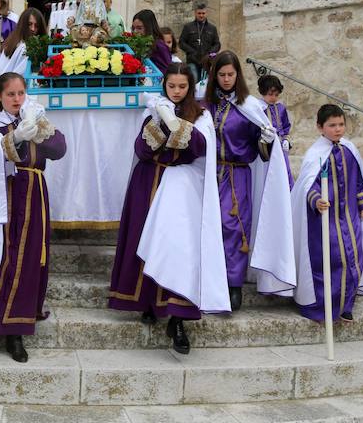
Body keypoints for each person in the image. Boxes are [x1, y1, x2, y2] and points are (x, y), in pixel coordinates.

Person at [109, 63, 229, 354]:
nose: (176, 92)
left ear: (190, 87)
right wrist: (159, 122)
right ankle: (146, 302)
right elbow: (141, 149)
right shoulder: (153, 110)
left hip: (180, 190)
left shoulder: (200, 116)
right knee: (144, 242)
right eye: (171, 86)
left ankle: (178, 317)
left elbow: (199, 149)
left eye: (182, 87)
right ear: (164, 85)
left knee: (176, 249)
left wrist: (178, 126)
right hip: (147, 183)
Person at [0, 73, 66, 363]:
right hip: (4, 195)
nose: (17, 99)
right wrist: (14, 138)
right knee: (5, 255)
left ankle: (18, 325)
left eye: (21, 93)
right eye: (11, 95)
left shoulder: (35, 117)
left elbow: (59, 151)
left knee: (30, 256)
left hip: (34, 193)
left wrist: (40, 128)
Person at [202, 52, 296, 311]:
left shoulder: (250, 106)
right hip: (208, 173)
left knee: (234, 226)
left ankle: (234, 284)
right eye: (221, 75)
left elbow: (264, 154)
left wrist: (266, 138)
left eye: (231, 74)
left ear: (238, 76)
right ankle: (210, 279)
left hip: (237, 175)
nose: (226, 79)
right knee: (210, 225)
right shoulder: (205, 105)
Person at [292, 104, 363, 322]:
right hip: (326, 220)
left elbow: (359, 183)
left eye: (341, 124)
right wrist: (317, 200)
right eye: (332, 125)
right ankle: (324, 306)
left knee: (354, 259)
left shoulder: (350, 150)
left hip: (350, 217)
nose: (338, 129)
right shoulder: (316, 154)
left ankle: (346, 304)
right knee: (331, 260)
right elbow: (309, 184)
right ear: (320, 127)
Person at [0, 7, 47, 98]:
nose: (33, 29)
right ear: (23, 25)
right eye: (29, 24)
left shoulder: (29, 45)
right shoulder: (18, 45)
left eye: (36, 26)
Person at [258, 74, 294, 189]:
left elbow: (286, 128)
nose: (273, 97)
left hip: (280, 148)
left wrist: (286, 141)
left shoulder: (281, 108)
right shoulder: (258, 108)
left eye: (276, 95)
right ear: (262, 92)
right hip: (265, 150)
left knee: (284, 173)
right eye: (270, 94)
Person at [179, 4, 220, 82]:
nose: (201, 15)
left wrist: (210, 53)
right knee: (193, 82)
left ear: (206, 13)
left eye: (203, 13)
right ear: (195, 13)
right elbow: (181, 42)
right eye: (199, 13)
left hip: (207, 62)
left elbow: (217, 44)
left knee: (205, 83)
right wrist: (191, 51)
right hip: (192, 60)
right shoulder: (188, 27)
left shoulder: (212, 28)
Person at [130, 9, 172, 75]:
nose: (135, 31)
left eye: (139, 28)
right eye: (133, 28)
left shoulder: (160, 46)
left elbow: (168, 70)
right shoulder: (135, 44)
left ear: (149, 27)